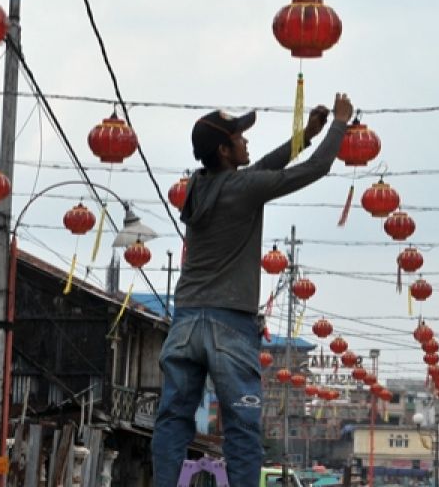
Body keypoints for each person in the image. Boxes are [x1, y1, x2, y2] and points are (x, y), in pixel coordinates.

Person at [152, 93, 354, 487]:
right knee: (242, 429)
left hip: (186, 322)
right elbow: (314, 169)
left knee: (173, 421)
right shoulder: (243, 188)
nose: (247, 142)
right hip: (229, 325)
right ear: (225, 151)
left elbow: (260, 169)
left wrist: (304, 134)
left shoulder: (197, 186)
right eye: (239, 138)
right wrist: (338, 126)